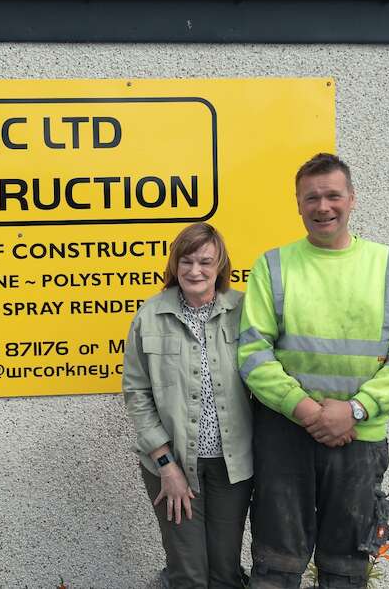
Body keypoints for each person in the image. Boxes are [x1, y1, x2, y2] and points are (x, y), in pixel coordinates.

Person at [239, 153, 389, 589]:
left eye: (333, 195)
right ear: (297, 203)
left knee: (347, 569)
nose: (323, 206)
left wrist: (355, 410)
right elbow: (253, 353)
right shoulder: (273, 265)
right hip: (284, 437)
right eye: (311, 197)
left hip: (358, 439)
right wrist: (310, 412)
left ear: (352, 198)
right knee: (275, 566)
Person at [122, 222, 253, 589]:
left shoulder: (243, 310)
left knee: (225, 572)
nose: (195, 270)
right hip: (173, 464)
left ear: (220, 265)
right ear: (175, 264)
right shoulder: (150, 315)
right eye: (187, 261)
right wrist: (166, 465)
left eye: (205, 262)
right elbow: (136, 391)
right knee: (188, 573)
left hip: (231, 466)